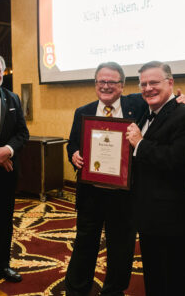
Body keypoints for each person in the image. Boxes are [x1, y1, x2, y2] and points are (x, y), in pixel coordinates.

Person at [65, 62, 148, 296]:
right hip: (91, 193)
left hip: (124, 194)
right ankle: (77, 288)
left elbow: (162, 101)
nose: (106, 86)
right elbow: (73, 142)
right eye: (101, 81)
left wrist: (182, 100)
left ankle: (114, 290)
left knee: (121, 246)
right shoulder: (83, 112)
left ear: (122, 85)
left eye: (112, 82)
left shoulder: (138, 105)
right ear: (95, 84)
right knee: (84, 243)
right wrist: (74, 154)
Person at [126, 61, 185, 296]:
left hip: (174, 218)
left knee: (175, 279)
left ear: (170, 83)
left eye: (154, 82)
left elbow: (176, 160)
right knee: (155, 277)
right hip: (150, 215)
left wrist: (141, 144)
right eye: (143, 84)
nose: (148, 88)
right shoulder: (146, 113)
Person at [0, 52, 29, 282]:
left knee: (4, 225)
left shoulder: (13, 98)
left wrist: (7, 151)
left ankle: (2, 267)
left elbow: (23, 133)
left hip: (6, 175)